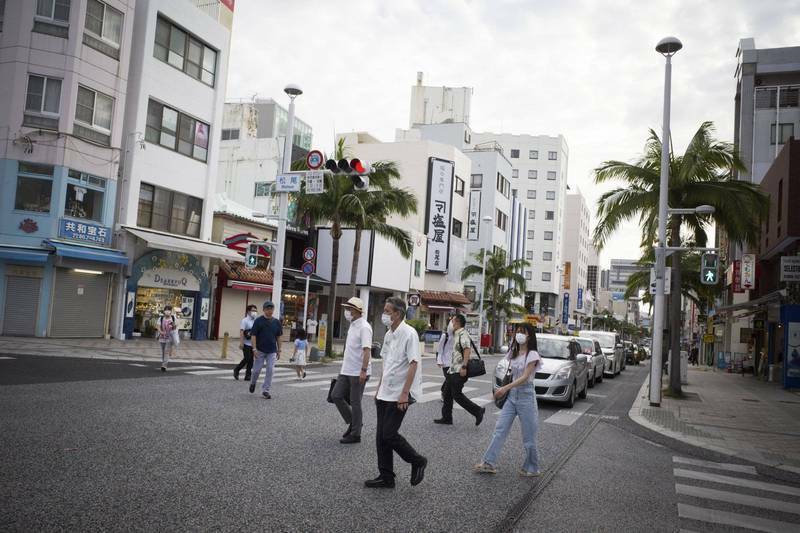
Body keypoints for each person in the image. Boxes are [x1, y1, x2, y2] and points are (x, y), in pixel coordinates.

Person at [365, 297, 427, 489]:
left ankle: (417, 460)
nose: (384, 315)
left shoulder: (409, 334)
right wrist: (379, 387)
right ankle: (386, 477)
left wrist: (404, 394)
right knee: (380, 437)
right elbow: (387, 362)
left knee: (389, 434)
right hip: (385, 391)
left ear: (397, 314)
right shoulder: (388, 334)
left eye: (387, 311)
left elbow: (413, 363)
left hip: (400, 393)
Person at [474, 322, 542, 477]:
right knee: (500, 430)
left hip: (526, 396)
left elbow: (525, 377)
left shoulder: (532, 354)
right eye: (517, 331)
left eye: (522, 332)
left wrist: (504, 388)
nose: (518, 334)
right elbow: (508, 371)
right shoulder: (514, 351)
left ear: (529, 335)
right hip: (512, 397)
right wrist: (504, 388)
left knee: (529, 437)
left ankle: (533, 467)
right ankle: (488, 462)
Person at [331, 297, 372, 444]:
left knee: (355, 402)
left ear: (356, 310)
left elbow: (367, 351)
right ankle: (355, 423)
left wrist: (364, 370)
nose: (346, 311)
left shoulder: (364, 327)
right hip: (346, 369)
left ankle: (356, 434)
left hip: (357, 371)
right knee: (336, 395)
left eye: (349, 309)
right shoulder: (353, 325)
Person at [434, 314, 485, 426]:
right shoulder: (457, 334)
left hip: (459, 370)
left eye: (452, 321)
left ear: (457, 322)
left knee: (457, 395)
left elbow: (467, 349)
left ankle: (478, 411)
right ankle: (447, 418)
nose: (450, 323)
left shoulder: (462, 334)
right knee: (447, 393)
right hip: (453, 370)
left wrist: (464, 367)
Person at [249, 301, 283, 399]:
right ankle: (253, 382)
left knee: (270, 370)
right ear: (264, 310)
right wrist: (254, 349)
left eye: (271, 308)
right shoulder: (258, 321)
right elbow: (253, 335)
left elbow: (279, 337)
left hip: (272, 350)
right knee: (256, 370)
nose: (270, 310)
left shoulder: (276, 322)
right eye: (268, 308)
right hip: (260, 350)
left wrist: (279, 350)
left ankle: (266, 390)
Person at [234, 304, 258, 381]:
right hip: (246, 343)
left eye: (255, 310)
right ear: (248, 311)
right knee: (247, 358)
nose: (254, 312)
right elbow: (242, 332)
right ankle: (237, 369)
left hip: (253, 344)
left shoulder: (256, 321)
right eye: (253, 310)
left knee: (251, 360)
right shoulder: (244, 320)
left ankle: (248, 375)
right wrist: (241, 343)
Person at [436, 318, 455, 400]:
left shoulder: (458, 336)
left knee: (451, 379)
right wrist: (439, 360)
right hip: (445, 362)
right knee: (449, 378)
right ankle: (444, 394)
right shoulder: (445, 336)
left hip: (454, 362)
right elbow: (439, 349)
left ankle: (445, 392)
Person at [157, 305, 177, 372]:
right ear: (164, 311)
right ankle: (164, 362)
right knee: (163, 351)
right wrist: (161, 332)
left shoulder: (173, 318)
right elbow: (158, 326)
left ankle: (164, 366)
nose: (167, 311)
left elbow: (175, 328)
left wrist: (173, 325)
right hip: (162, 337)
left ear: (171, 311)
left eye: (169, 310)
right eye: (166, 310)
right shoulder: (161, 318)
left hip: (170, 338)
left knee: (166, 351)